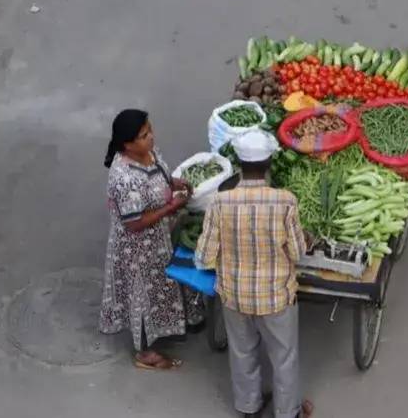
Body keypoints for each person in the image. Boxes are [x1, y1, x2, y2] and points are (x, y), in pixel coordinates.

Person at [195, 131, 314, 418]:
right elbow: (298, 253)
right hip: (276, 297)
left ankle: (249, 407)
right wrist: (305, 239)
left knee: (242, 352)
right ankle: (288, 412)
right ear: (270, 162)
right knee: (284, 357)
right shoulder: (285, 201)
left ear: (238, 163)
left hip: (234, 296)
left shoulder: (219, 203)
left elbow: (204, 256)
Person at [99, 109, 204, 370]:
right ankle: (145, 353)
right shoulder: (123, 177)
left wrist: (176, 182)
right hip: (138, 249)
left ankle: (178, 323)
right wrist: (171, 207)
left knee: (169, 281)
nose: (151, 137)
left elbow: (160, 172)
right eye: (144, 135)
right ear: (127, 144)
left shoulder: (148, 153)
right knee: (144, 294)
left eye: (150, 130)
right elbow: (134, 223)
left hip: (160, 237)